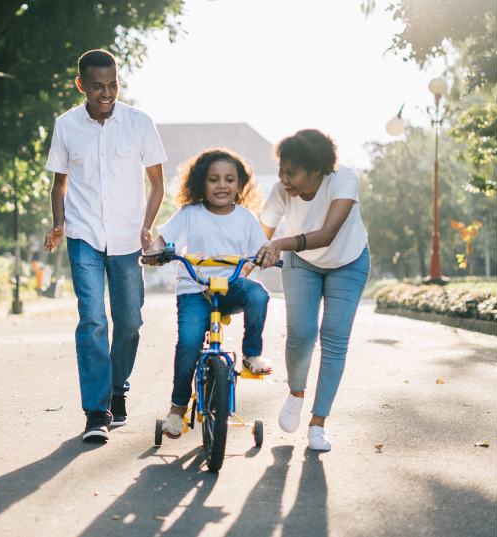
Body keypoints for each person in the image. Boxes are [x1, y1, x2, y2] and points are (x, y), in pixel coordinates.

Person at [43, 49, 167, 443]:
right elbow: (59, 183)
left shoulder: (139, 123)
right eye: (97, 86)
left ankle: (117, 390)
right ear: (81, 85)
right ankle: (96, 412)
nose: (107, 93)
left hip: (129, 238)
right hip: (83, 237)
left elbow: (157, 183)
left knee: (129, 322)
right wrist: (59, 224)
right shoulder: (66, 126)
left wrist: (147, 226)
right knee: (93, 319)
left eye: (112, 84)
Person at [144, 149, 272, 439]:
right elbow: (162, 241)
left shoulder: (247, 218)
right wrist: (155, 252)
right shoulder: (190, 214)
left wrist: (266, 256)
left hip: (230, 288)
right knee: (189, 343)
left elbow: (261, 249)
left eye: (229, 179)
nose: (222, 185)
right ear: (202, 183)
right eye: (214, 179)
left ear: (240, 185)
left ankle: (251, 355)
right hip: (194, 291)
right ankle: (178, 408)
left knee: (259, 295)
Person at [256, 129, 370, 451]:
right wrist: (240, 269)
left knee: (334, 337)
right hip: (301, 263)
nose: (283, 178)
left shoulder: (343, 180)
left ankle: (318, 424)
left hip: (348, 260)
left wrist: (279, 243)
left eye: (292, 171)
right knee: (302, 333)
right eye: (281, 169)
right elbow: (258, 237)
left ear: (316, 169)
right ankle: (295, 393)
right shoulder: (281, 191)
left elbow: (328, 233)